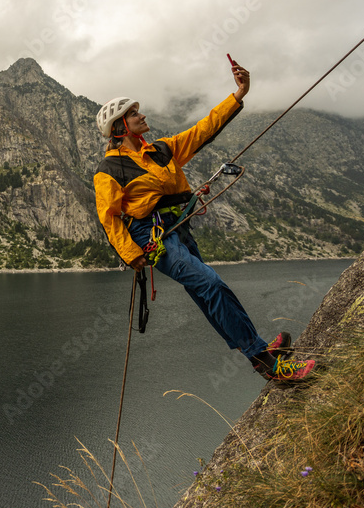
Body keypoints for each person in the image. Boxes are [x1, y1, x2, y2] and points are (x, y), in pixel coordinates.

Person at [93, 61, 315, 382]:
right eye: (133, 113)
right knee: (211, 285)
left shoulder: (160, 150)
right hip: (154, 238)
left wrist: (239, 94)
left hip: (179, 229)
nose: (141, 115)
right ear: (119, 128)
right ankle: (264, 361)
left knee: (207, 294)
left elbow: (203, 129)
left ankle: (259, 349)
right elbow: (110, 218)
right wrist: (132, 254)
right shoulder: (110, 170)